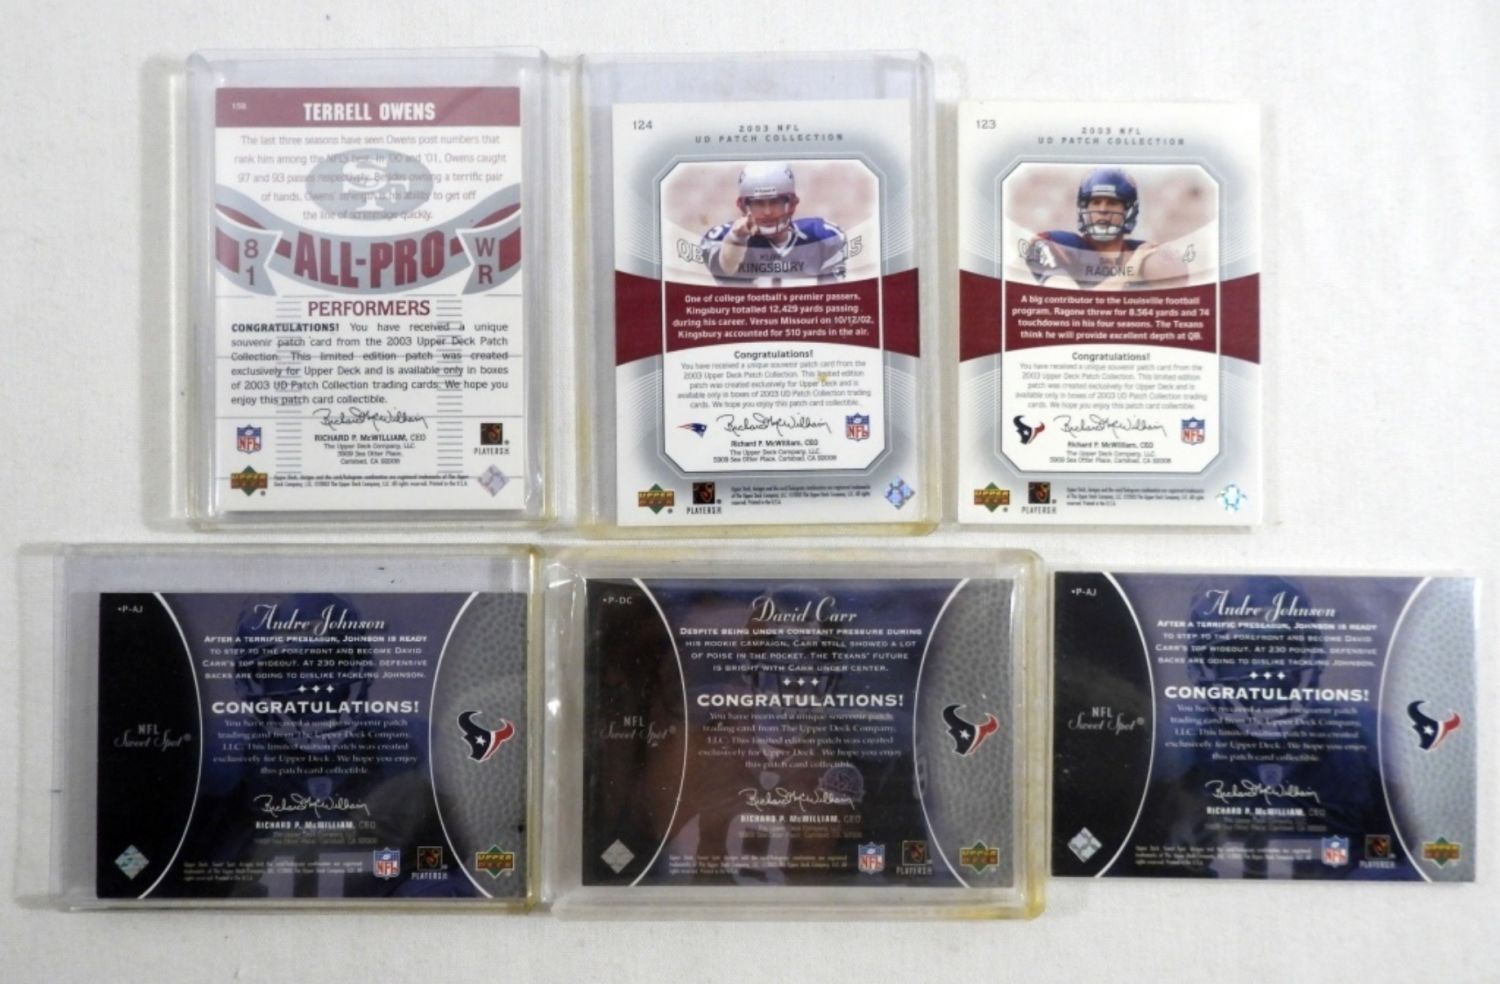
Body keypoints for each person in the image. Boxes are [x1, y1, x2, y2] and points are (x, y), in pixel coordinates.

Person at [1025, 167, 1188, 291]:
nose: (1103, 210)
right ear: (1084, 208)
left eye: (1112, 203)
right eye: (1095, 202)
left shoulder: (1147, 253)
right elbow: (1072, 303)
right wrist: (1131, 269)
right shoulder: (1054, 244)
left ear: (1128, 211)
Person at [701, 162, 847, 285]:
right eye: (758, 203)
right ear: (743, 206)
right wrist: (736, 238)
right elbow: (726, 268)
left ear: (792, 204)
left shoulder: (823, 238)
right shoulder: (722, 238)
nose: (767, 212)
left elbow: (832, 299)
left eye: (776, 202)